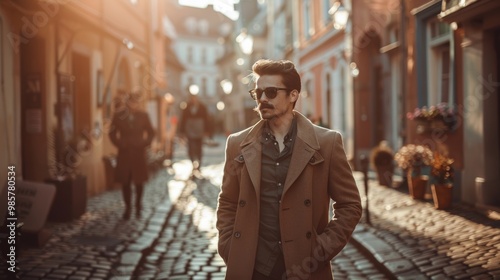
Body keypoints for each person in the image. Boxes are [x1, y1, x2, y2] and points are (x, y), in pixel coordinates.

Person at [216, 59, 362, 279]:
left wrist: (321, 249)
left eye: (271, 92)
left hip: (304, 268)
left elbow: (350, 205)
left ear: (293, 95)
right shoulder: (238, 144)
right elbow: (227, 201)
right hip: (252, 269)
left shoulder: (326, 143)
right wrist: (230, 246)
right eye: (258, 93)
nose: (263, 99)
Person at [109, 91, 155, 220]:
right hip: (124, 153)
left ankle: (138, 206)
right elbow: (111, 133)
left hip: (138, 153)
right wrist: (120, 143)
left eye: (135, 102)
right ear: (127, 102)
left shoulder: (143, 115)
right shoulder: (118, 115)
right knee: (125, 182)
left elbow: (151, 132)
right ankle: (128, 208)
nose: (133, 104)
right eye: (131, 101)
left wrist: (144, 143)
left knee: (139, 182)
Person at [178, 92, 212, 175]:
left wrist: (207, 131)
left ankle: (199, 163)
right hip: (190, 130)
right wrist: (182, 131)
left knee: (199, 147)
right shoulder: (186, 107)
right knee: (191, 147)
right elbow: (183, 120)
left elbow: (206, 119)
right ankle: (193, 162)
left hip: (199, 130)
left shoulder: (202, 107)